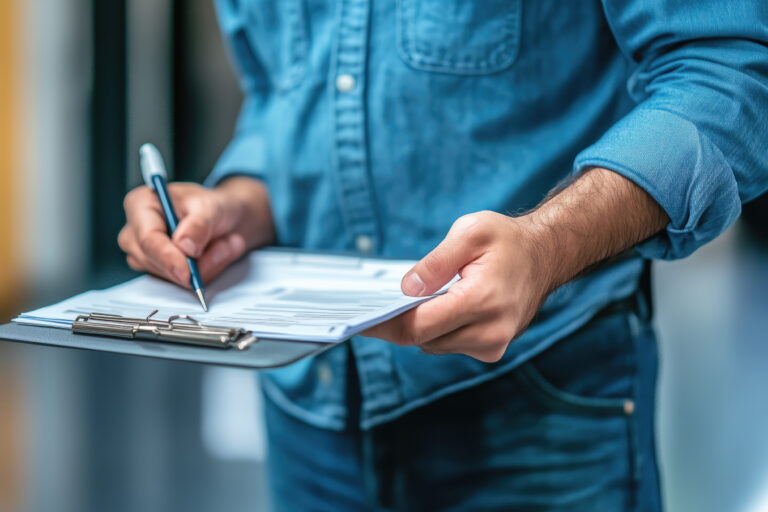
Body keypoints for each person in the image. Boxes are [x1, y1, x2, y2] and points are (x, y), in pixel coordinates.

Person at [119, 1, 768, 510]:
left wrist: (542, 249)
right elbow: (282, 98)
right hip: (310, 409)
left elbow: (726, 72)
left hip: (540, 405)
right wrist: (235, 205)